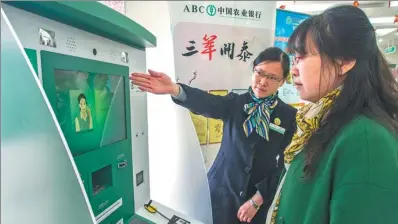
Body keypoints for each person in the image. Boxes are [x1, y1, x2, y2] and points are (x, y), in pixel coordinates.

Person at [130, 47, 297, 224]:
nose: (263, 81)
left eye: (272, 77)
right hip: (222, 191)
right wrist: (175, 89)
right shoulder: (235, 103)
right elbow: (208, 102)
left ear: (282, 81)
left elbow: (287, 163)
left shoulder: (288, 116)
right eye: (259, 73)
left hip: (257, 199)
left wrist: (259, 198)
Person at [265, 5, 398, 224]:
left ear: (344, 62)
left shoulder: (366, 141)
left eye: (302, 56)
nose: (294, 69)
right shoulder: (321, 124)